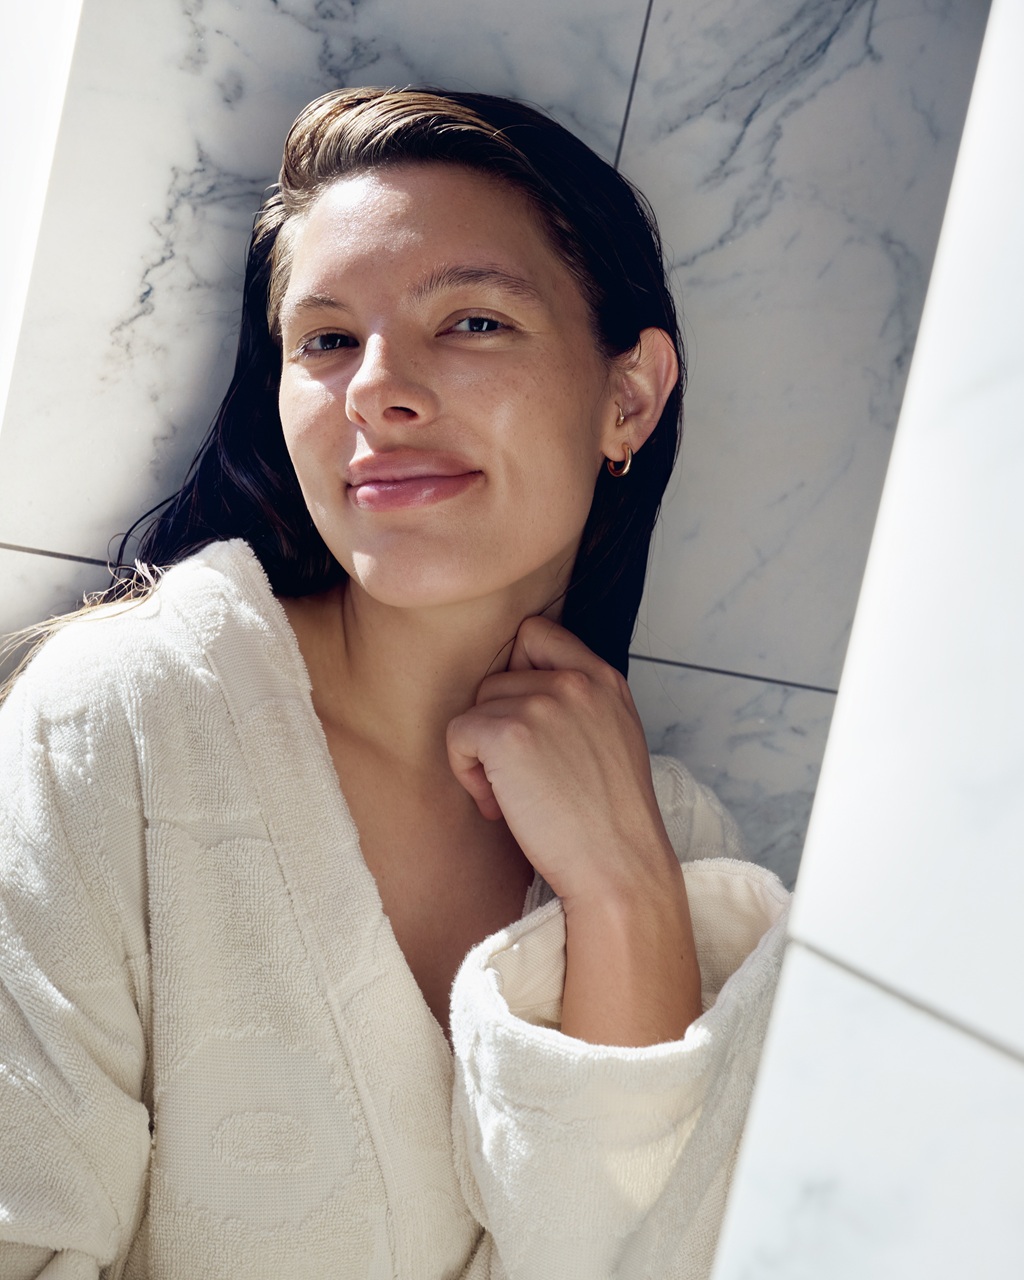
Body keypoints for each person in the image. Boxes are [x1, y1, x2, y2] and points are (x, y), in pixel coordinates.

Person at [0, 88, 789, 1279]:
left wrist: (623, 892)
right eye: (325, 340)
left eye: (471, 320)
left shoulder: (675, 847)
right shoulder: (123, 715)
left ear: (627, 396)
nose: (375, 386)